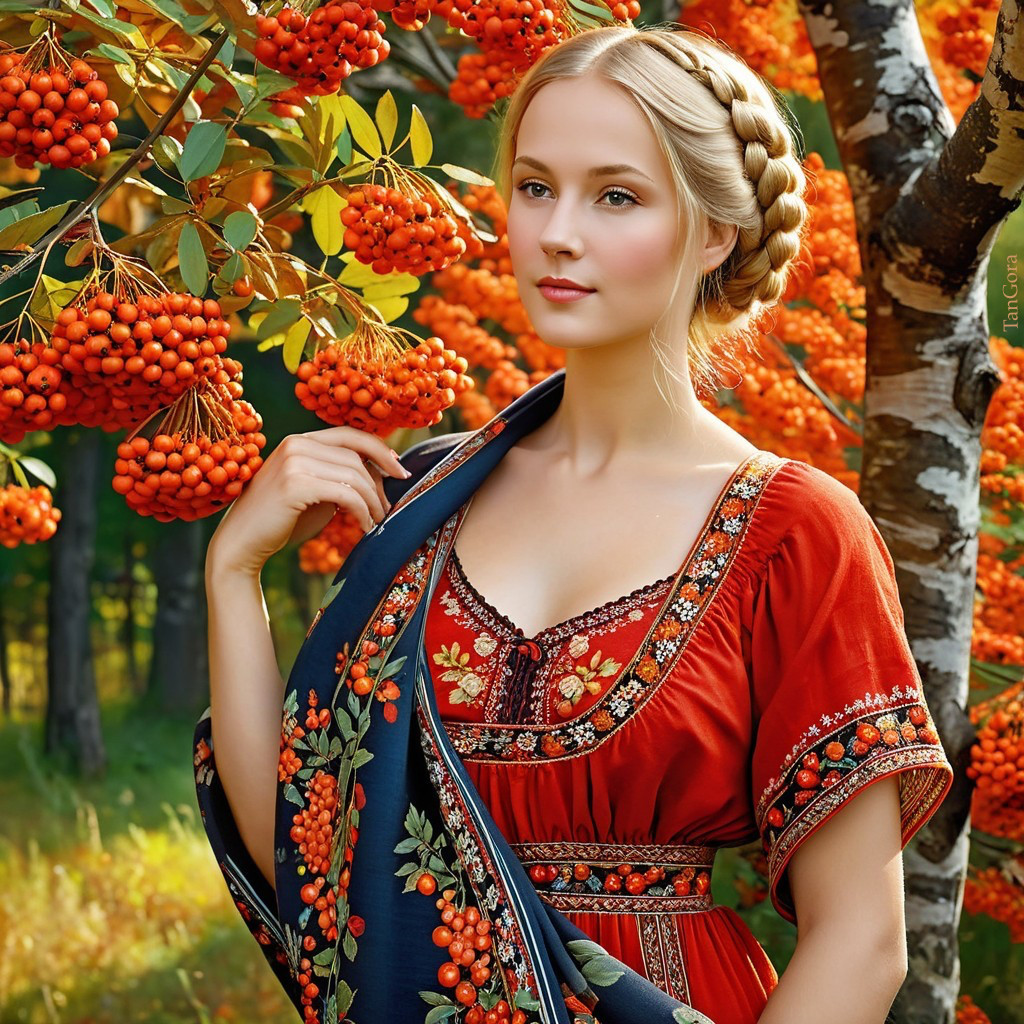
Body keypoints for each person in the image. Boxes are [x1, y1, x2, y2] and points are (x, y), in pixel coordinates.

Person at [193, 21, 955, 1024]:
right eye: (535, 186)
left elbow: (861, 943)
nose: (556, 231)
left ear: (713, 232)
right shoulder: (426, 497)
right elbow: (312, 856)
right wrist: (233, 573)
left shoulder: (795, 529)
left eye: (616, 196)